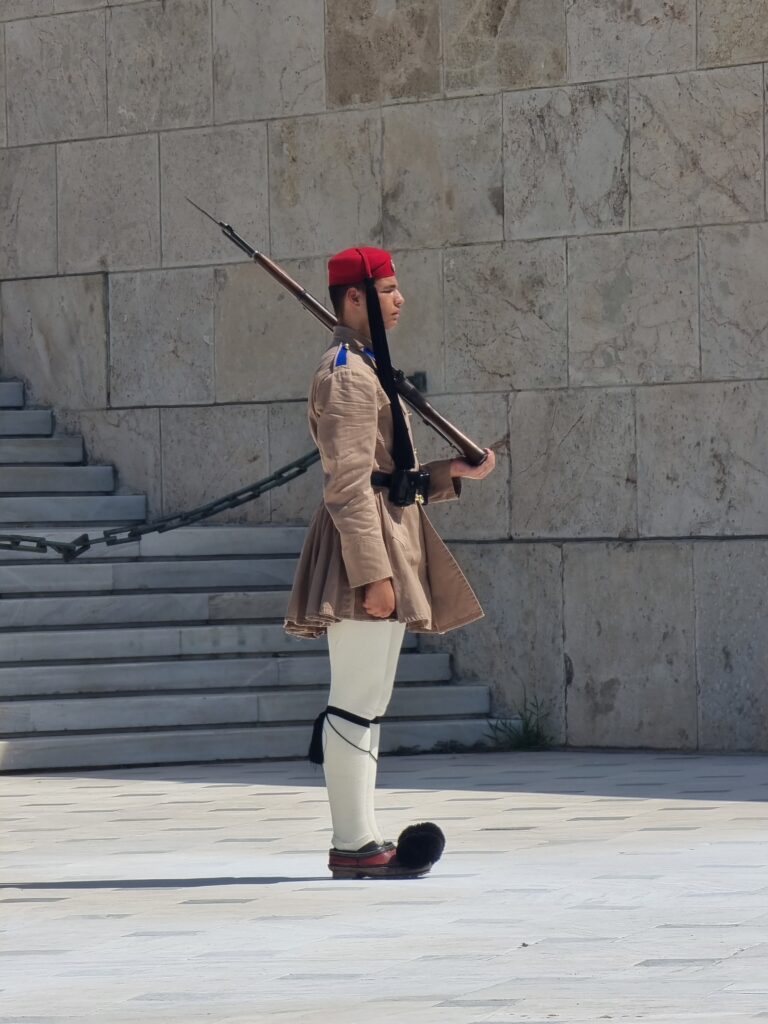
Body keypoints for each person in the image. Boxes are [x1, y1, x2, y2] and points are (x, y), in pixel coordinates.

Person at [284, 246, 496, 879]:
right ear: (356, 299)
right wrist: (372, 574)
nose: (401, 301)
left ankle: (364, 835)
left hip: (385, 533)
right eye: (389, 291)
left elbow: (389, 477)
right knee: (353, 698)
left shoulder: (368, 366)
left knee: (370, 699)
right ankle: (353, 843)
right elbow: (349, 484)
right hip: (364, 547)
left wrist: (449, 473)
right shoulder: (348, 373)